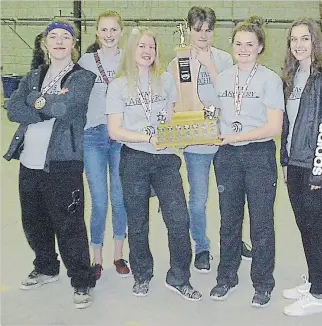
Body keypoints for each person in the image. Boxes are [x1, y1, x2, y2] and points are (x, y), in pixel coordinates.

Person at [4, 20, 97, 309]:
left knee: (69, 224)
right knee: (34, 221)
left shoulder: (82, 77)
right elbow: (12, 109)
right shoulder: (33, 77)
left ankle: (82, 280)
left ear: (73, 44)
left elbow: (67, 108)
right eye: (53, 36)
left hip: (63, 161)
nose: (59, 41)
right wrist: (42, 101)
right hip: (29, 162)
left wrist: (36, 103)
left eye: (65, 37)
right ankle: (45, 267)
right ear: (45, 43)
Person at [106, 26, 202, 301]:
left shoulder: (166, 80)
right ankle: (142, 275)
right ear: (131, 50)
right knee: (138, 222)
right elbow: (115, 130)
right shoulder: (119, 85)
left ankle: (179, 277)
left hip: (165, 159)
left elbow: (171, 118)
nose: (148, 51)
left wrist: (181, 133)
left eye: (152, 47)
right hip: (134, 158)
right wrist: (147, 136)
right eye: (142, 46)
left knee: (178, 219)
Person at [168, 6, 251, 274]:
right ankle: (201, 247)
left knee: (232, 198)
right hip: (196, 144)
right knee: (198, 199)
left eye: (208, 29)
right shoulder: (179, 61)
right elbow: (175, 100)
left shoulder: (226, 60)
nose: (203, 35)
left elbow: (231, 94)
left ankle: (234, 243)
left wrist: (208, 65)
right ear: (189, 30)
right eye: (198, 29)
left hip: (226, 140)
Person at [209, 16, 284, 308]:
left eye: (249, 44)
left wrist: (240, 137)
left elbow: (274, 127)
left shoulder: (270, 80)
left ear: (260, 47)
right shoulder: (224, 78)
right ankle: (226, 276)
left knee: (261, 222)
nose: (243, 49)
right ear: (232, 46)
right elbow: (215, 115)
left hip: (258, 154)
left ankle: (263, 282)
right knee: (229, 219)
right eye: (238, 44)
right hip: (227, 155)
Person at [280, 18, 322, 316]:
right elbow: (287, 125)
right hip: (295, 165)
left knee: (316, 229)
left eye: (304, 39)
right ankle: (313, 280)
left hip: (316, 167)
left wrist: (319, 171)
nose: (298, 45)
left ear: (314, 41)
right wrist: (285, 161)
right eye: (294, 39)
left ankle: (318, 295)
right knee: (305, 227)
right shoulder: (292, 78)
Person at [78, 10, 129, 280]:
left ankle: (119, 255)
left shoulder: (129, 60)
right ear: (96, 33)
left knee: (120, 198)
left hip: (121, 137)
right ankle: (96, 258)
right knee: (99, 200)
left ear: (121, 32)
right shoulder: (86, 62)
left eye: (113, 30)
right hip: (93, 136)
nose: (109, 35)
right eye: (104, 30)